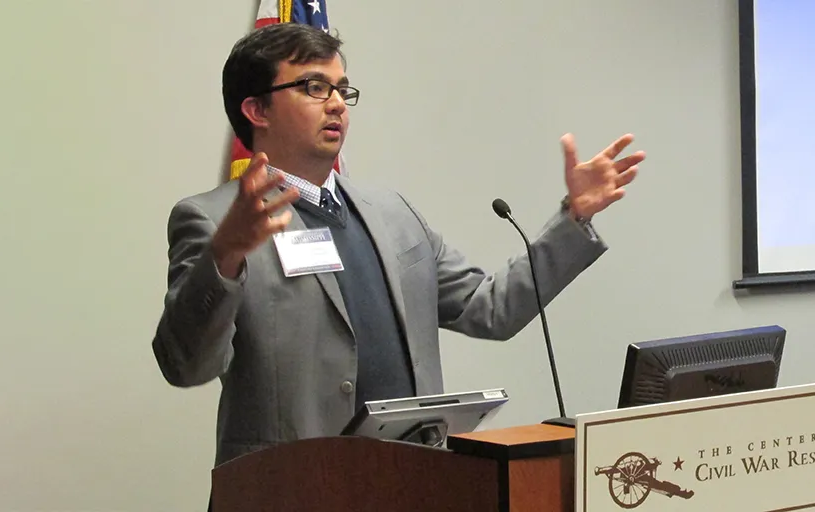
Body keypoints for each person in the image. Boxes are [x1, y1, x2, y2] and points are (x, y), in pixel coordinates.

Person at [151, 22, 645, 469]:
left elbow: (491, 309)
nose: (337, 103)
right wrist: (226, 256)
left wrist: (574, 218)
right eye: (314, 87)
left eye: (342, 89)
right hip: (289, 489)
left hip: (410, 482)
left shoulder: (392, 213)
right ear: (256, 108)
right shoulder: (211, 219)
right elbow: (186, 365)